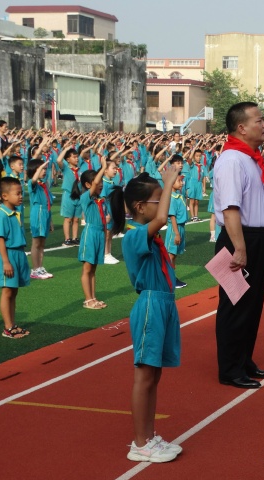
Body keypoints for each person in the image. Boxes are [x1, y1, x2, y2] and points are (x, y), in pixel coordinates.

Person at [108, 168, 183, 463]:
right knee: (144, 376)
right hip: (151, 305)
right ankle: (140, 443)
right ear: (140, 207)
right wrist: (168, 183)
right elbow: (162, 219)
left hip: (163, 304)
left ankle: (149, 437)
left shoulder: (149, 237)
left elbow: (160, 220)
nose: (162, 203)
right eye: (157, 199)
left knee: (154, 376)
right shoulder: (134, 236)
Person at [212, 101, 264, 389]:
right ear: (241, 127)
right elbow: (230, 209)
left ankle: (243, 360)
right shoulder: (232, 160)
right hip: (239, 239)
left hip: (257, 238)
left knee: (252, 305)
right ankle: (230, 369)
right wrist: (239, 248)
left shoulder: (250, 158)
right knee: (235, 307)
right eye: (258, 120)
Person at [0, 177, 31, 338]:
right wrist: (6, 262)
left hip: (18, 253)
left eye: (21, 193)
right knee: (7, 291)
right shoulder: (2, 215)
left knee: (14, 291)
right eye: (17, 193)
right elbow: (0, 239)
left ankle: (13, 324)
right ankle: (8, 328)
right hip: (9, 255)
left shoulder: (16, 212)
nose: (21, 196)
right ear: (5, 196)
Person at [71, 162, 108, 309]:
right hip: (90, 234)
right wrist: (103, 167)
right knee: (87, 269)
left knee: (93, 269)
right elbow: (95, 185)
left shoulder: (100, 200)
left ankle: (93, 297)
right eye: (97, 182)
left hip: (99, 234)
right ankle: (88, 300)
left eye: (102, 182)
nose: (100, 184)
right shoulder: (86, 197)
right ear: (88, 185)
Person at [27, 159, 54, 279]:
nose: (44, 171)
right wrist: (41, 166)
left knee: (42, 243)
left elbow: (48, 202)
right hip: (38, 213)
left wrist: (50, 220)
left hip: (46, 213)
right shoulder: (32, 184)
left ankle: (40, 267)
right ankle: (35, 269)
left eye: (45, 169)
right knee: (36, 242)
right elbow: (33, 180)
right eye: (41, 169)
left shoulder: (44, 185)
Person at [167, 172, 188, 288]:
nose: (182, 183)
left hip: (180, 227)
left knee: (174, 255)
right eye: (179, 181)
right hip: (175, 228)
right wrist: (176, 233)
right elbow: (172, 217)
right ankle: (169, 279)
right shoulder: (172, 198)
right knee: (171, 255)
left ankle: (172, 277)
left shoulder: (178, 196)